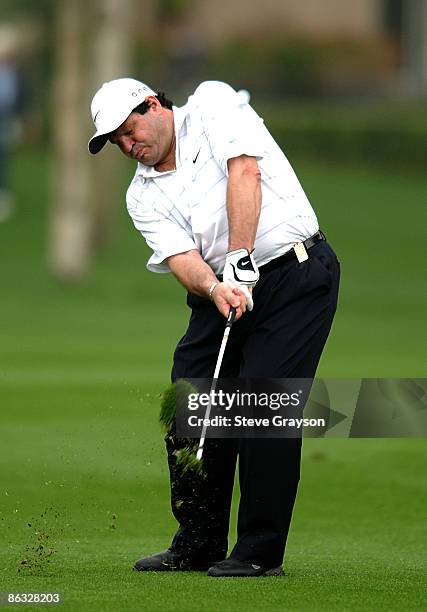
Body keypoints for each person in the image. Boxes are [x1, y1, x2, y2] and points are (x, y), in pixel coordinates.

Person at [88, 78, 340, 577]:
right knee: (189, 402)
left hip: (293, 275)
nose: (126, 144)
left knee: (263, 406)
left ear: (154, 105)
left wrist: (241, 255)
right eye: (115, 140)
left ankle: (258, 552)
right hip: (221, 289)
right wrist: (215, 287)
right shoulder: (141, 196)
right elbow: (182, 257)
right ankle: (198, 541)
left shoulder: (212, 104)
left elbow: (243, 171)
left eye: (128, 129)